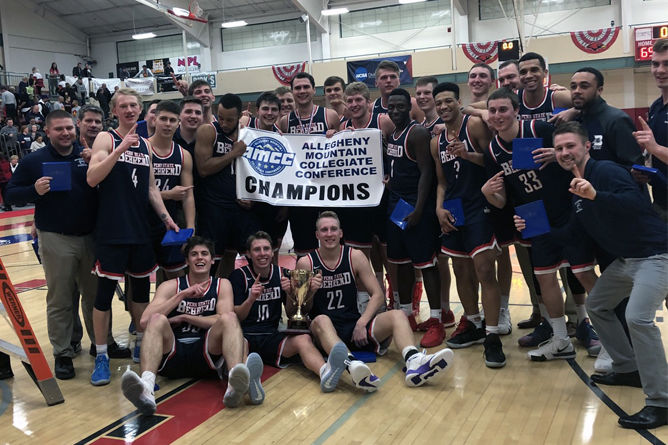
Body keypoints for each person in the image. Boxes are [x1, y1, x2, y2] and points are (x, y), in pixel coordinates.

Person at [552, 121, 668, 430]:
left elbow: (636, 203)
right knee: (598, 305)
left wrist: (596, 196)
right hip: (627, 260)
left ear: (586, 146)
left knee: (638, 318)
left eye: (570, 146)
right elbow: (573, 233)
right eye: (560, 148)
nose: (565, 152)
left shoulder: (605, 172)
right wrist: (532, 231)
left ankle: (661, 401)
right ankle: (628, 367)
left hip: (656, 254)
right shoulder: (576, 186)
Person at [482, 88, 598, 361]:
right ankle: (560, 339)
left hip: (564, 206)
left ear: (516, 111)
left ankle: (598, 330)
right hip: (531, 213)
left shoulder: (540, 129)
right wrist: (488, 193)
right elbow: (502, 201)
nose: (498, 115)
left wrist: (557, 155)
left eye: (503, 109)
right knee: (544, 278)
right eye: (493, 111)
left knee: (581, 273)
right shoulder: (491, 150)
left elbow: (578, 157)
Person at [297, 211, 454, 390]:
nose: (329, 234)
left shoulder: (354, 256)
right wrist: (310, 291)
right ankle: (352, 365)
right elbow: (301, 309)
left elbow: (378, 294)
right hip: (324, 331)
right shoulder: (306, 263)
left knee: (397, 315)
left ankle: (414, 361)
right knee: (321, 319)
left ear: (341, 233)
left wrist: (362, 323)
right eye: (324, 230)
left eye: (333, 229)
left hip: (352, 324)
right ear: (317, 235)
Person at [87, 88, 179, 386]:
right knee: (103, 296)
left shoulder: (145, 145)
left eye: (134, 106)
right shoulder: (107, 138)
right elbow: (92, 177)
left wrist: (166, 218)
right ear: (114, 111)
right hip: (112, 230)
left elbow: (152, 188)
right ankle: (101, 354)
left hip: (140, 230)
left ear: (140, 110)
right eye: (123, 106)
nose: (129, 110)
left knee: (140, 294)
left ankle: (140, 341)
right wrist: (119, 149)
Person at [121, 236, 265, 415]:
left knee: (229, 318)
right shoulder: (170, 286)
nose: (200, 258)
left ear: (212, 260)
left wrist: (185, 317)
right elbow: (144, 322)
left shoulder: (222, 285)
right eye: (194, 254)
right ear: (187, 260)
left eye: (205, 254)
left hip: (206, 353)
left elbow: (223, 319)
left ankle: (234, 383)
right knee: (157, 319)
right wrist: (181, 295)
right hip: (172, 354)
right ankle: (146, 389)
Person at [5, 110, 98, 380]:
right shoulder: (34, 160)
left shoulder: (87, 155)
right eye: (59, 129)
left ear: (76, 128)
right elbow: (10, 193)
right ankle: (63, 353)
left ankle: (100, 345)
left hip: (90, 236)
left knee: (93, 296)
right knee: (60, 298)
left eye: (69, 127)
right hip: (56, 237)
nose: (65, 133)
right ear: (47, 132)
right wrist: (33, 191)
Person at [429, 83, 505, 367]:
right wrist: (438, 208)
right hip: (453, 206)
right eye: (439, 103)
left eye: (448, 101)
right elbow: (441, 181)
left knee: (484, 268)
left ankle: (493, 335)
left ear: (458, 101)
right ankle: (472, 322)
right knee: (460, 267)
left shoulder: (473, 125)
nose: (443, 106)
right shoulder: (435, 141)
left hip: (479, 203)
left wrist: (467, 154)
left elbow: (493, 162)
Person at [232, 231, 343, 392]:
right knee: (240, 347)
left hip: (271, 335)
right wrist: (250, 299)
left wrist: (291, 294)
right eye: (257, 250)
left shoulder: (282, 274)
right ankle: (246, 385)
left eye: (266, 249)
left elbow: (293, 314)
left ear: (272, 252)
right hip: (245, 336)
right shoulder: (238, 276)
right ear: (248, 253)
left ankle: (325, 373)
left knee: (303, 338)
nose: (262, 254)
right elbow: (236, 316)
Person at [384, 88, 443, 347]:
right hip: (397, 204)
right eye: (391, 107)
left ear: (409, 107)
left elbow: (426, 174)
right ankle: (407, 314)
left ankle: (437, 320)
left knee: (426, 263)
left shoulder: (417, 132)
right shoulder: (392, 134)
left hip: (416, 205)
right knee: (402, 262)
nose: (395, 111)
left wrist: (419, 209)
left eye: (400, 107)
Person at [195, 93, 259, 278]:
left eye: (229, 120)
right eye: (220, 117)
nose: (223, 123)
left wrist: (253, 198)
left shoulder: (248, 134)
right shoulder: (209, 131)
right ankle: (208, 301)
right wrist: (233, 154)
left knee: (255, 257)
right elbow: (204, 169)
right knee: (211, 263)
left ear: (239, 117)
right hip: (215, 208)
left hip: (243, 209)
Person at [279, 72, 340, 255]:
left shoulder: (330, 115)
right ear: (292, 92)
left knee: (332, 242)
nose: (302, 91)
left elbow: (343, 152)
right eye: (297, 88)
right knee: (303, 248)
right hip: (300, 196)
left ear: (314, 89)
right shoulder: (285, 121)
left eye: (306, 87)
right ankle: (305, 285)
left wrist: (336, 136)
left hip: (327, 192)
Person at [148, 100, 195, 279]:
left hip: (171, 226)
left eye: (172, 120)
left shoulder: (183, 154)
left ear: (178, 123)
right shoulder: (143, 148)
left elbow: (188, 195)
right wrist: (168, 194)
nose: (168, 124)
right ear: (155, 120)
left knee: (176, 275)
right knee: (139, 280)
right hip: (142, 223)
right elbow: (135, 193)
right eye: (163, 119)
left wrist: (191, 228)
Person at [571, 67, 644, 167]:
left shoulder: (617, 120)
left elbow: (634, 167)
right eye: (573, 86)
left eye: (584, 86)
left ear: (599, 90)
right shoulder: (574, 121)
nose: (577, 91)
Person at [633, 38, 668, 220]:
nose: (660, 70)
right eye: (655, 64)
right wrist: (646, 172)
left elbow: (656, 148)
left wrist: (656, 149)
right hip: (661, 202)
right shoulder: (656, 107)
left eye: (666, 64)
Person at [517, 53, 571, 121]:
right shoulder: (513, 99)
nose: (528, 76)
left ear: (545, 73)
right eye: (523, 72)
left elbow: (587, 104)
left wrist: (574, 111)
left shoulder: (556, 96)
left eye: (534, 70)